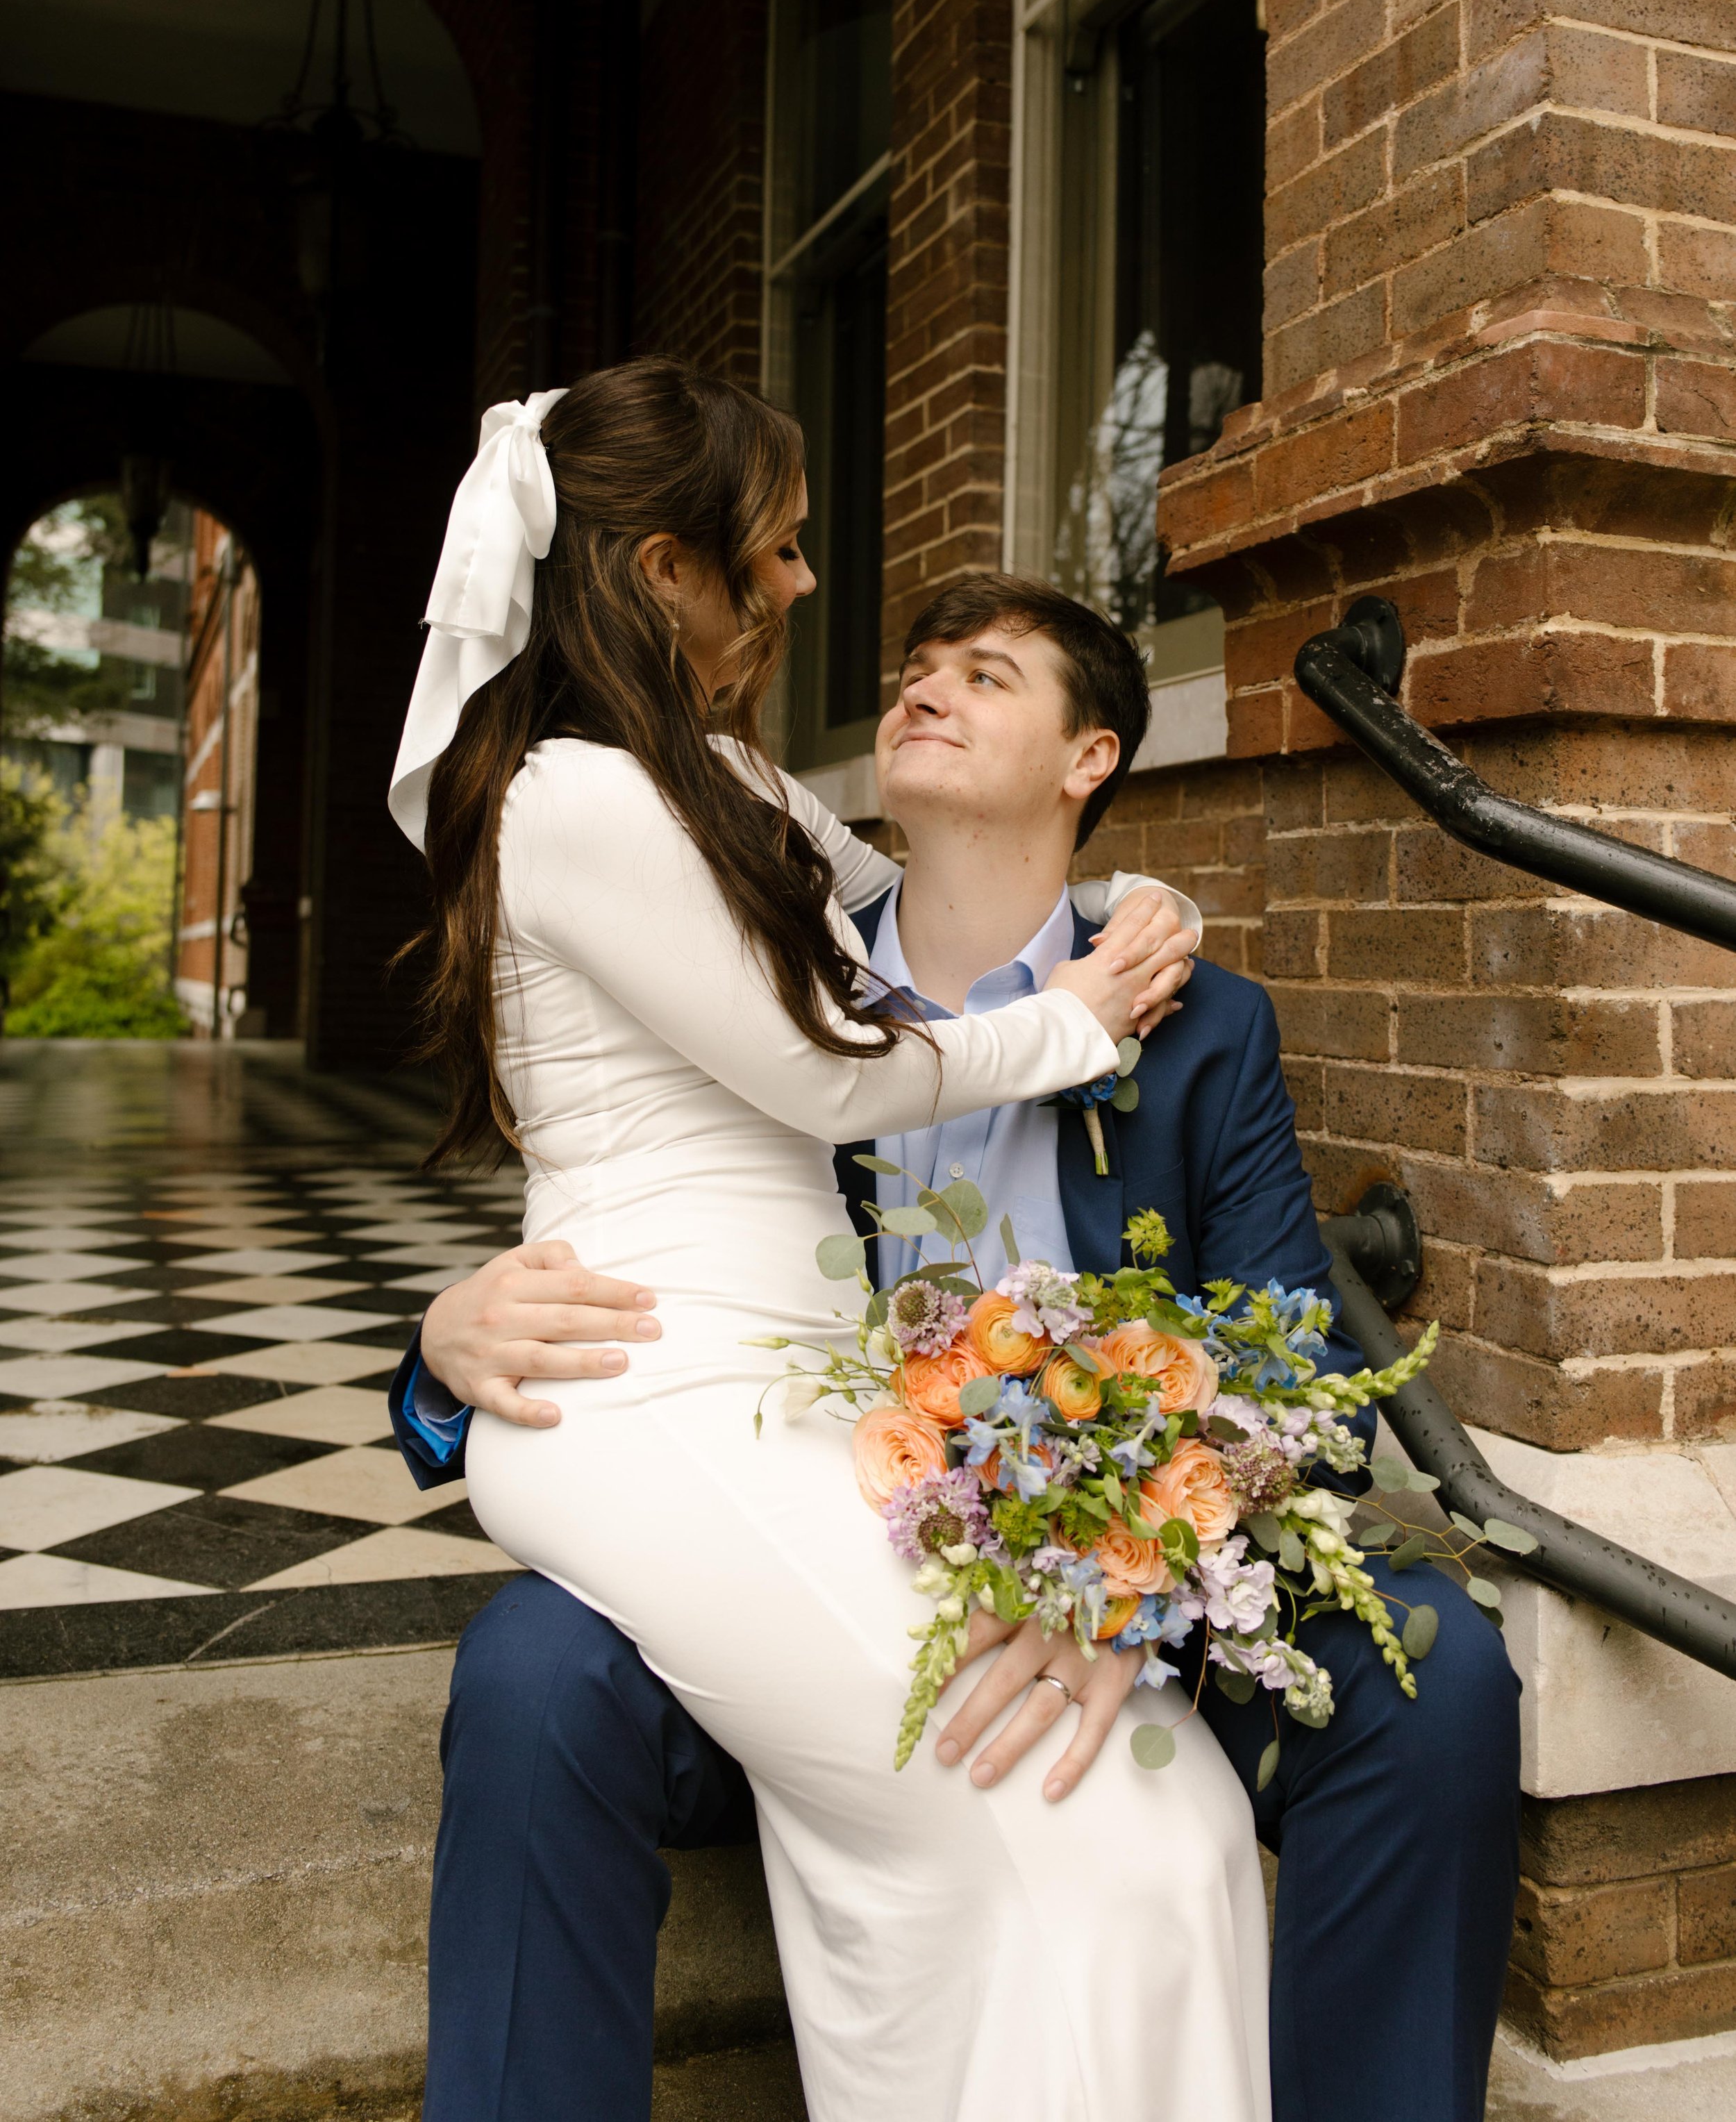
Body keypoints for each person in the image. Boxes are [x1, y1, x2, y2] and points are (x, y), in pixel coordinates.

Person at [395, 560, 1523, 2122]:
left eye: (987, 674)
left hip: (1119, 1590)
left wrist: (1119, 1575)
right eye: (917, 663)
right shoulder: (752, 953)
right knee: (532, 1670)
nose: (923, 685)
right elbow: (621, 1192)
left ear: (1088, 761)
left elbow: (1312, 1391)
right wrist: (445, 1351)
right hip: (804, 1568)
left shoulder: (1196, 1019)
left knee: (1435, 1670)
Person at [387, 363, 1265, 2122]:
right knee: (1121, 1816)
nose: (803, 590)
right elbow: (825, 1061)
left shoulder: (715, 780)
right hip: (647, 1395)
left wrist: (1124, 909)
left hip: (782, 1401)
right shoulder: (570, 796)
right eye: (774, 553)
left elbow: (897, 914)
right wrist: (1078, 1020)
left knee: (1122, 1833)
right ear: (659, 575)